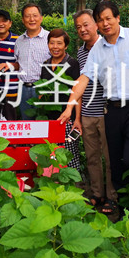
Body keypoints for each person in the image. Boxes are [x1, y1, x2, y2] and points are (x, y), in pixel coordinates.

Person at [57, 0, 129, 194]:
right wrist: (69, 107)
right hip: (112, 109)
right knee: (115, 159)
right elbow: (83, 79)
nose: (105, 24)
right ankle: (119, 201)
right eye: (100, 20)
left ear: (117, 18)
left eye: (108, 18)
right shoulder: (97, 49)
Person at [72, 9, 118, 214]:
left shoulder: (108, 46)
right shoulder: (81, 52)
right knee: (92, 157)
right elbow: (80, 86)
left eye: (86, 24)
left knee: (109, 157)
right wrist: (77, 117)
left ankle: (112, 197)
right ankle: (97, 193)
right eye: (78, 27)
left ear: (96, 24)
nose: (82, 29)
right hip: (87, 113)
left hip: (106, 112)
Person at [39, 29, 81, 170]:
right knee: (51, 152)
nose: (55, 47)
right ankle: (53, 177)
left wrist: (77, 119)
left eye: (59, 43)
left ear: (66, 46)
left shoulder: (72, 64)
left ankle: (74, 178)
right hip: (49, 118)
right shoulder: (45, 64)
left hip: (67, 117)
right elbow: (42, 90)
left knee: (69, 152)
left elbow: (77, 93)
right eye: (52, 43)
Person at [14, 3, 50, 120]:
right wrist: (9, 65)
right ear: (23, 20)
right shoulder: (19, 41)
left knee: (43, 124)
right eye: (27, 16)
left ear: (41, 18)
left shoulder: (50, 38)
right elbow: (19, 63)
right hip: (24, 89)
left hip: (43, 88)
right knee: (27, 125)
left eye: (35, 15)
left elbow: (57, 63)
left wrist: (46, 89)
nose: (31, 19)